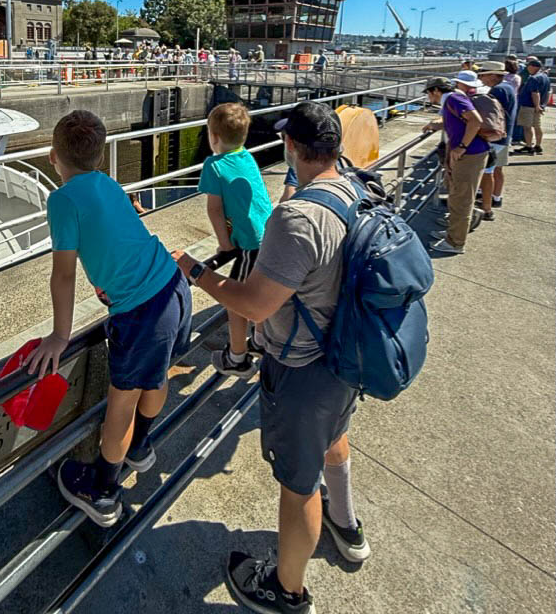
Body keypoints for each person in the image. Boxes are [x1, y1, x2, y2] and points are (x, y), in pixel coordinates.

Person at [174, 102, 371, 614]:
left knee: (298, 486)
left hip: (304, 365)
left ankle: (287, 591)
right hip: (346, 349)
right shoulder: (351, 188)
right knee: (335, 439)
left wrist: (198, 273)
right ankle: (346, 524)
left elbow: (254, 303)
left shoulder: (298, 216)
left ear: (291, 148)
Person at [24, 110, 192, 526]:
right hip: (173, 287)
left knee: (122, 402)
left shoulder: (62, 199)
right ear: (99, 156)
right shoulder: (109, 183)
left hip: (140, 312)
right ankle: (141, 447)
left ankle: (102, 489)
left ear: (53, 157)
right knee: (157, 375)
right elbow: (121, 236)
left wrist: (60, 336)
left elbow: (63, 273)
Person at [198, 103, 272, 377]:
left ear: (213, 137)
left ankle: (237, 358)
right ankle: (262, 341)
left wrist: (225, 244)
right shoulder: (247, 157)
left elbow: (214, 209)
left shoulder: (214, 165)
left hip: (251, 243)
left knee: (235, 299)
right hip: (269, 235)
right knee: (261, 290)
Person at [431, 71, 488, 255]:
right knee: (457, 195)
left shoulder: (453, 99)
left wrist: (461, 147)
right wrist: (436, 125)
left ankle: (455, 242)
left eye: (428, 93)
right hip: (470, 154)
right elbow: (458, 123)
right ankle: (453, 232)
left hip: (470, 154)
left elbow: (475, 121)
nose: (428, 97)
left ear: (436, 91)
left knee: (461, 198)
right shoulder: (455, 99)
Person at [476, 61, 516, 217]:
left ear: (493, 75)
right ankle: (496, 197)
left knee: (487, 172)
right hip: (505, 135)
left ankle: (486, 208)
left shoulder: (497, 90)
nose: (481, 78)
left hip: (495, 138)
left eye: (483, 75)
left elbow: (489, 116)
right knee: (497, 169)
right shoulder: (508, 88)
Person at [514, 57, 549, 155]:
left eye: (528, 66)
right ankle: (538, 145)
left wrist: (537, 105)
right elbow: (548, 92)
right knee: (537, 126)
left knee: (527, 127)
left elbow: (535, 93)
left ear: (533, 67)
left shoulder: (533, 78)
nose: (527, 68)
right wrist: (542, 105)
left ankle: (528, 146)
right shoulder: (545, 77)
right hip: (539, 105)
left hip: (529, 105)